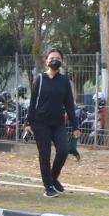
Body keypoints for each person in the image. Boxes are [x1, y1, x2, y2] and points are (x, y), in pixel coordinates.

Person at [28, 48, 79, 198]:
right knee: (45, 155)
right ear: (46, 61)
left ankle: (53, 177)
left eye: (58, 58)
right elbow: (33, 102)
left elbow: (69, 104)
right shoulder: (40, 79)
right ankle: (48, 186)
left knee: (63, 151)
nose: (54, 60)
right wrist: (28, 122)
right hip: (40, 123)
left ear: (62, 62)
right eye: (51, 58)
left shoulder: (64, 81)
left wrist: (75, 126)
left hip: (58, 124)